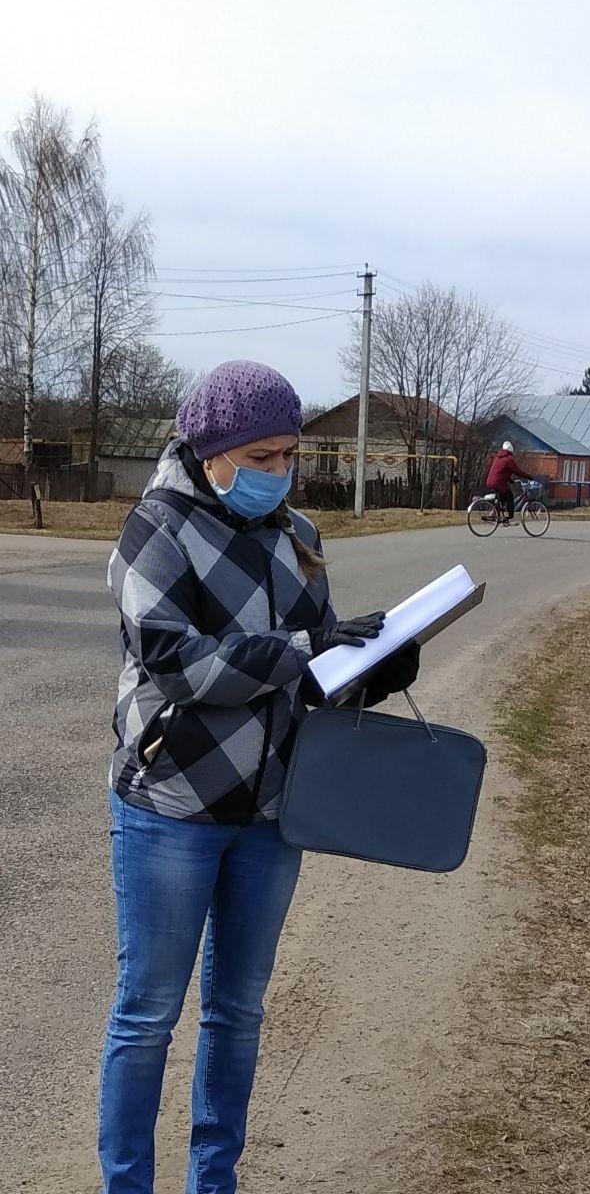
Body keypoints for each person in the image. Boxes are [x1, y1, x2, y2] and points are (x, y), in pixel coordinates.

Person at [99, 360, 420, 1194]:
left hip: (274, 814)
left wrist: (374, 666)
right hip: (171, 808)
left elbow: (314, 673)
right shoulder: (153, 532)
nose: (283, 473)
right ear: (213, 454)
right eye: (266, 457)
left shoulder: (300, 536)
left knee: (237, 1015)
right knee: (147, 1019)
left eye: (292, 455)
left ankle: (217, 1180)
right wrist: (312, 652)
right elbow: (181, 668)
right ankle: (126, 1183)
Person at [485, 439, 531, 524]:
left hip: (490, 481)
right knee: (510, 497)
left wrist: (509, 480)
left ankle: (494, 512)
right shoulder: (508, 460)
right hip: (498, 483)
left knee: (502, 497)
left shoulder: (498, 458)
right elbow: (518, 471)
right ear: (510, 452)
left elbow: (501, 472)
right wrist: (529, 477)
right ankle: (509, 517)